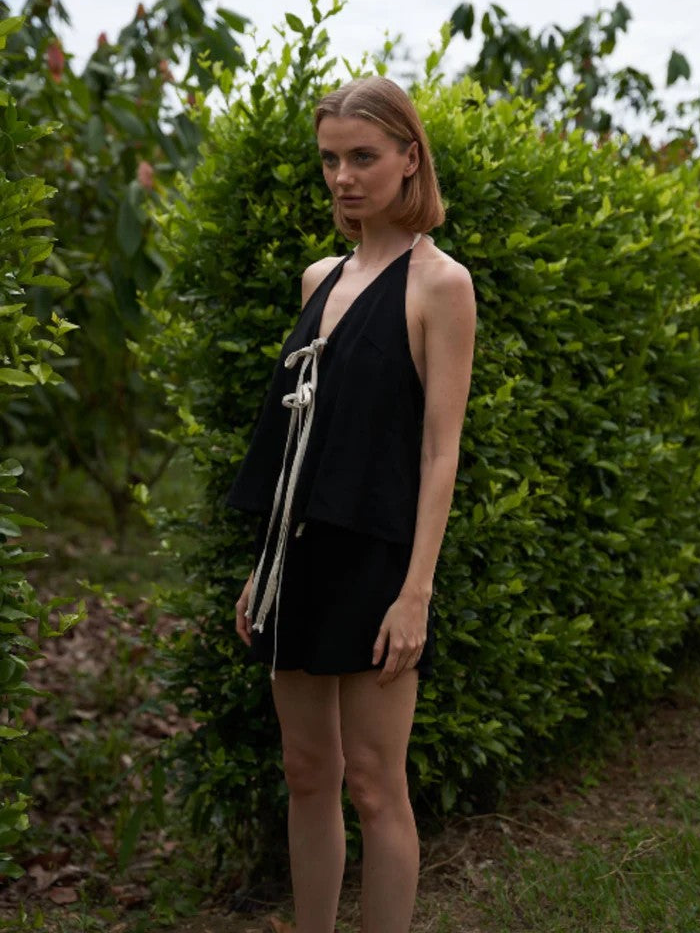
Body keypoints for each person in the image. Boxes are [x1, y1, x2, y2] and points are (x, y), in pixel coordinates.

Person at [229, 75, 476, 933]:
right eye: (330, 159)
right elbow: (301, 441)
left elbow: (440, 451)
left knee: (375, 785)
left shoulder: (440, 285)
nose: (343, 177)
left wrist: (416, 593)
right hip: (296, 557)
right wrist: (264, 567)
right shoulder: (318, 279)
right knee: (306, 773)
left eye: (363, 157)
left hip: (377, 561)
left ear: (409, 158)